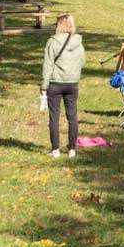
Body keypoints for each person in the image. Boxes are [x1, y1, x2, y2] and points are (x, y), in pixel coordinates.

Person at [41, 14, 85, 157]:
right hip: (72, 84)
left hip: (55, 83)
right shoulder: (78, 42)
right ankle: (72, 149)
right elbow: (82, 61)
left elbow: (47, 65)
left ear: (59, 25)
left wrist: (44, 86)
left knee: (54, 117)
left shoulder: (52, 42)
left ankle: (55, 150)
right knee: (72, 117)